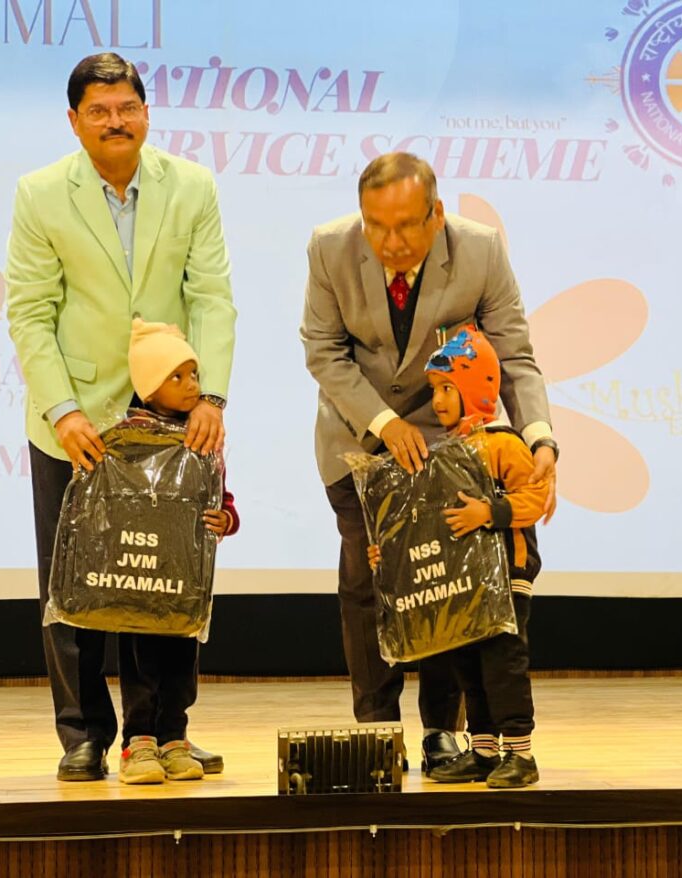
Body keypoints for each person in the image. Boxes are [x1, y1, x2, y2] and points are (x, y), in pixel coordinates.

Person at [5, 52, 236, 781]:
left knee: (162, 575)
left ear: (146, 112)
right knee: (72, 582)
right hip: (74, 420)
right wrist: (63, 409)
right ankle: (82, 734)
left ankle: (158, 730)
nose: (116, 121)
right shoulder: (41, 193)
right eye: (99, 111)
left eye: (127, 107)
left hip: (167, 416)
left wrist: (211, 397)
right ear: (74, 121)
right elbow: (31, 313)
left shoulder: (191, 185)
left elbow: (212, 299)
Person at [300, 153, 558, 774]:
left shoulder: (480, 250)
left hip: (449, 446)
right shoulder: (329, 247)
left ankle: (443, 729)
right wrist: (382, 423)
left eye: (405, 226)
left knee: (446, 579)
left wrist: (539, 437)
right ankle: (377, 729)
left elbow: (514, 355)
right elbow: (324, 351)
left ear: (436, 214)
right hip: (359, 439)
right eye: (375, 226)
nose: (389, 242)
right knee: (368, 583)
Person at [368, 326, 547, 788]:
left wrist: (490, 512)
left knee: (503, 666)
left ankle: (520, 754)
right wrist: (389, 552)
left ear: (475, 387)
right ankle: (484, 751)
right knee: (470, 669)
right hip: (466, 585)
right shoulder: (449, 452)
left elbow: (536, 499)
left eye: (447, 388)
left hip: (506, 579)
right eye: (435, 390)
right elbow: (431, 522)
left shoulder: (504, 442)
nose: (438, 400)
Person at [112, 318, 241, 783]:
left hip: (186, 579)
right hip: (141, 576)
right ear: (149, 389)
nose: (192, 386)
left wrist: (226, 518)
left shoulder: (203, 436)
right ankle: (138, 743)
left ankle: (173, 738)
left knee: (182, 663)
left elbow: (220, 497)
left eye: (194, 375)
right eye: (177, 376)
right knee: (141, 660)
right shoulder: (129, 439)